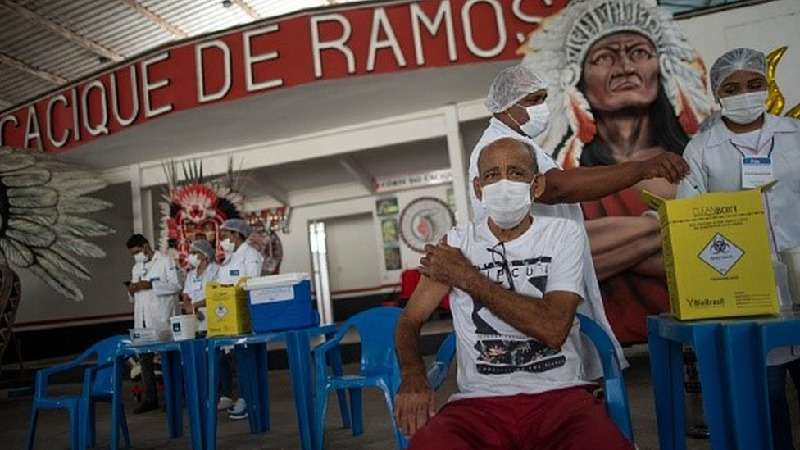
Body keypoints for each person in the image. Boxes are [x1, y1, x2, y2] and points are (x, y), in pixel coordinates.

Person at [395, 136, 633, 450]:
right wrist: (413, 375)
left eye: (516, 173)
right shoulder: (456, 243)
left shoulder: (562, 235)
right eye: (492, 175)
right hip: (478, 406)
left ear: (536, 186)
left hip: (560, 399)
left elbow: (553, 328)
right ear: (479, 189)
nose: (503, 183)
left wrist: (467, 277)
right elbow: (409, 321)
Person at [473, 64, 691, 376]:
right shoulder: (496, 148)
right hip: (531, 276)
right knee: (560, 378)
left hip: (553, 264)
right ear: (507, 106)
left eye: (543, 99)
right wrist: (639, 169)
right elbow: (557, 188)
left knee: (654, 231)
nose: (542, 109)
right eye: (534, 100)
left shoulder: (522, 144)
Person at [520, 0, 713, 343]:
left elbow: (712, 247)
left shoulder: (691, 158)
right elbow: (560, 256)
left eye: (639, 52)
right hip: (606, 346)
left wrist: (612, 246)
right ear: (577, 77)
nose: (625, 68)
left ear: (661, 65)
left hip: (696, 331)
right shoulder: (566, 174)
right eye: (604, 58)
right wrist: (673, 225)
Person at [677, 47, 800, 450]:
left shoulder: (795, 136)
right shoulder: (701, 150)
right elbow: (689, 220)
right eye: (732, 88)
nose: (744, 94)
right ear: (717, 94)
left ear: (767, 86)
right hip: (744, 290)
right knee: (766, 402)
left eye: (754, 84)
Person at [126, 234, 181, 414]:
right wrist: (132, 290)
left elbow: (176, 285)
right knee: (145, 359)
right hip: (142, 319)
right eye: (133, 254)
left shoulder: (166, 261)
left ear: (146, 246)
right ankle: (150, 398)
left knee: (167, 358)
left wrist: (150, 285)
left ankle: (173, 398)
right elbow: (136, 296)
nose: (136, 256)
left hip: (161, 317)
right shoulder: (136, 268)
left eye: (137, 251)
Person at [217, 218, 265, 420]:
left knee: (247, 359)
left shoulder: (250, 254)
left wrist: (232, 291)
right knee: (238, 359)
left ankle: (249, 399)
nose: (223, 239)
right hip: (229, 317)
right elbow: (220, 285)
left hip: (245, 315)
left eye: (226, 235)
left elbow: (252, 282)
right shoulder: (230, 258)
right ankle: (246, 398)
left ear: (237, 235)